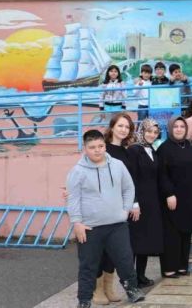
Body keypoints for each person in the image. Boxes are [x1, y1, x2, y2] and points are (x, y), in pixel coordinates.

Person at [66, 130, 145, 308]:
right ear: (85, 148)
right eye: (92, 147)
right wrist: (77, 222)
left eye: (100, 146)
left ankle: (132, 290)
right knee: (88, 266)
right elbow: (73, 198)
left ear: (105, 145)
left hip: (117, 225)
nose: (97, 150)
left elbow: (128, 188)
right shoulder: (77, 171)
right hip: (89, 228)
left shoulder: (117, 165)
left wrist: (125, 210)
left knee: (125, 260)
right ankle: (84, 300)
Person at [158, 117, 192, 278]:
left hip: (190, 197)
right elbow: (162, 174)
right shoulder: (164, 148)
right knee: (172, 234)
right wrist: (169, 193)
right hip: (173, 198)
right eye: (176, 126)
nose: (179, 129)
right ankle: (169, 268)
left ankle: (182, 266)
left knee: (186, 232)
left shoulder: (191, 145)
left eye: (182, 126)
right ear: (170, 129)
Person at [99, 112, 136, 303]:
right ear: (112, 127)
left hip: (121, 208)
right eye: (120, 125)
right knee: (100, 248)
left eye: (127, 127)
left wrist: (133, 203)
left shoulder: (126, 152)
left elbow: (129, 182)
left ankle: (109, 287)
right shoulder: (102, 149)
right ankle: (97, 289)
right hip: (103, 206)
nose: (123, 129)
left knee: (114, 249)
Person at [125, 119, 164, 288]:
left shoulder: (152, 150)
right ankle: (130, 278)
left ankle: (141, 276)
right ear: (142, 131)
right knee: (134, 241)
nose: (152, 135)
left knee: (145, 241)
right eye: (149, 131)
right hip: (138, 203)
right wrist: (134, 202)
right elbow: (130, 178)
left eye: (155, 132)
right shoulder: (134, 150)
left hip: (152, 202)